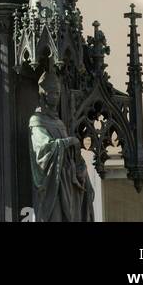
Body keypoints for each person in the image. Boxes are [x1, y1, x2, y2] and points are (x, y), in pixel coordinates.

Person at [28, 70, 94, 222]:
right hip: (53, 184)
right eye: (53, 93)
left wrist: (80, 166)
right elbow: (43, 150)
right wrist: (67, 142)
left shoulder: (59, 123)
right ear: (44, 94)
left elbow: (71, 154)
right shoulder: (37, 121)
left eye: (58, 93)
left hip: (67, 180)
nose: (56, 97)